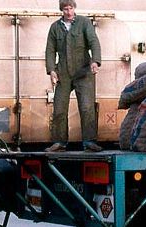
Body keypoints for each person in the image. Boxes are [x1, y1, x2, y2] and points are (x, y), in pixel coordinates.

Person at [44, 0, 102, 152]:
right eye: (65, 9)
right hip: (63, 72)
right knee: (59, 108)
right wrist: (51, 70)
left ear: (74, 8)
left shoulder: (84, 23)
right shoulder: (55, 27)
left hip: (83, 72)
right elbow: (50, 50)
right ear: (61, 10)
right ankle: (59, 142)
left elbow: (94, 42)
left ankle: (89, 141)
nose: (68, 12)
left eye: (70, 8)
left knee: (87, 107)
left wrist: (95, 61)